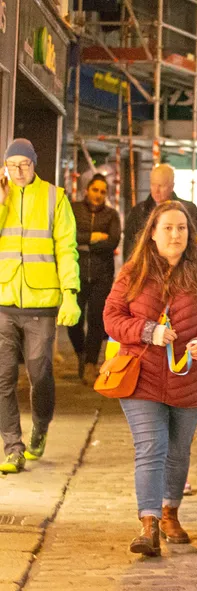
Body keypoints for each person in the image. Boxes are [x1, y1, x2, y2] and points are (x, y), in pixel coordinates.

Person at [103, 200, 197, 556]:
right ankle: (148, 525)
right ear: (152, 234)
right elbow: (111, 317)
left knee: (177, 450)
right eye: (168, 228)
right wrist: (148, 331)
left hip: (190, 378)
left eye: (181, 228)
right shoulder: (134, 272)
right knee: (151, 446)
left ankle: (169, 511)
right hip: (141, 376)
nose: (175, 235)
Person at [0, 140, 81, 474]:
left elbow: (66, 249)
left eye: (24, 165)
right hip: (3, 300)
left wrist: (70, 293)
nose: (19, 172)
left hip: (41, 303)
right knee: (2, 378)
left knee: (40, 374)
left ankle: (41, 426)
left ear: (34, 164)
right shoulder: (1, 195)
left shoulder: (54, 197)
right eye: (12, 165)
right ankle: (12, 448)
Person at [69, 173, 122, 384]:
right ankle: (81, 353)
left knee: (96, 320)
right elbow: (68, 236)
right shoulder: (74, 209)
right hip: (77, 273)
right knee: (74, 320)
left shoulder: (111, 215)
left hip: (102, 275)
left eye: (102, 191)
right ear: (87, 190)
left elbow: (113, 241)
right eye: (95, 190)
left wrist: (84, 244)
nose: (98, 195)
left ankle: (91, 363)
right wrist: (93, 237)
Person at [123, 164, 197, 259]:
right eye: (153, 185)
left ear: (172, 186)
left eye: (161, 186)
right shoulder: (139, 211)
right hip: (147, 264)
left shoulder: (189, 210)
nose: (156, 190)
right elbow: (129, 246)